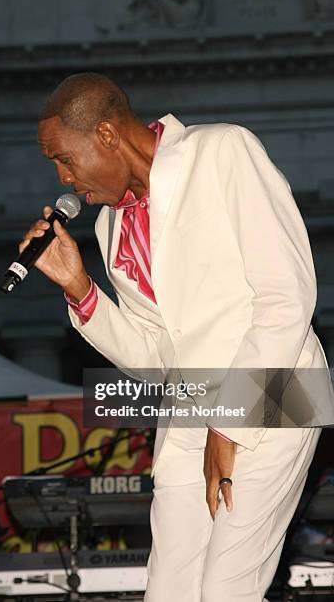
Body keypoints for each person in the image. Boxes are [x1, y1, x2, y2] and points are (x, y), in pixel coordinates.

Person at [20, 73, 334, 601]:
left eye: (65, 159)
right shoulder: (110, 228)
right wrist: (80, 287)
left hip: (276, 390)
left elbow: (287, 296)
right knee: (168, 594)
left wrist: (229, 422)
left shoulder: (220, 151)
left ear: (106, 134)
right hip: (190, 408)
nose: (62, 178)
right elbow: (155, 356)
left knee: (226, 592)